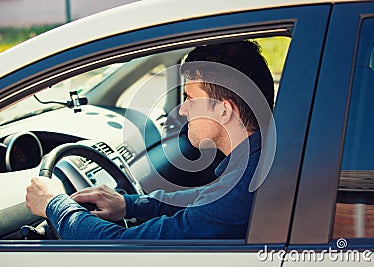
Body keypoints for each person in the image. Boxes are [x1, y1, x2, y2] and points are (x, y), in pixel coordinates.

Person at [25, 40, 274, 239]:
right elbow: (202, 200)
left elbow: (123, 250)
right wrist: (130, 204)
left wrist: (54, 203)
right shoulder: (260, 160)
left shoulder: (238, 193)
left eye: (189, 97)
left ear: (224, 109)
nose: (183, 110)